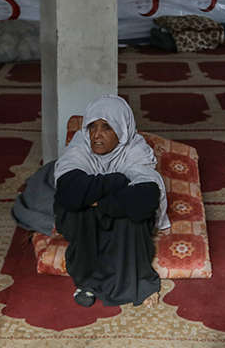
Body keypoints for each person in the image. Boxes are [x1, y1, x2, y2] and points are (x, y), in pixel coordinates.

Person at [53, 95, 170, 308]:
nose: (97, 135)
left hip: (120, 218)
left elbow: (146, 198)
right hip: (87, 221)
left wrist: (98, 200)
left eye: (107, 128)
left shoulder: (134, 150)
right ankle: (88, 282)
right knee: (80, 211)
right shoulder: (80, 146)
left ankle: (138, 283)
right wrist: (119, 180)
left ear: (122, 131)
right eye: (92, 127)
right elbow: (69, 192)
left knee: (131, 217)